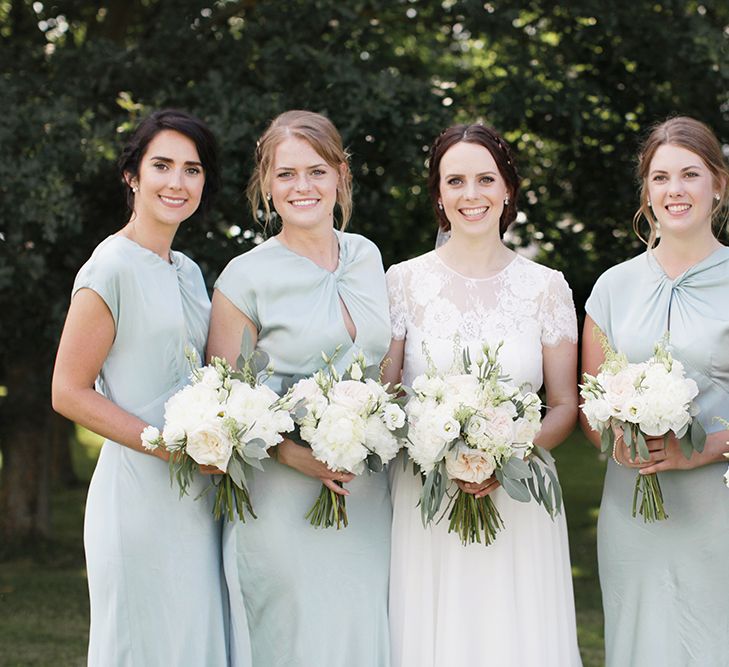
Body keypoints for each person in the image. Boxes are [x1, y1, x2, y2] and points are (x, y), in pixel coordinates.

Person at [383, 123, 582, 666]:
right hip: (430, 494)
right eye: (455, 182)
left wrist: (506, 455)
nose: (471, 195)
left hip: (520, 495)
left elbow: (565, 404)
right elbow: (386, 397)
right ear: (439, 196)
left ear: (508, 190)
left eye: (485, 179)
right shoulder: (402, 282)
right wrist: (439, 446)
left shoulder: (546, 287)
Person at [207, 110, 392, 667]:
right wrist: (300, 457)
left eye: (316, 171)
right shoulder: (245, 276)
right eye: (285, 174)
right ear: (266, 183)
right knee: (292, 642)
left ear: (341, 174)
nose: (302, 187)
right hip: (283, 497)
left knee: (359, 634)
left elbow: (383, 371)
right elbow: (225, 406)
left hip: (366, 496)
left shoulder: (367, 256)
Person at [51, 110, 228, 666]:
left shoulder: (190, 271)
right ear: (132, 176)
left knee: (193, 644)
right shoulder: (110, 267)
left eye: (192, 169)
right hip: (137, 496)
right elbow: (68, 390)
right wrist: (168, 444)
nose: (177, 182)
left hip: (198, 496)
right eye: (162, 166)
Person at [580, 116, 729, 666]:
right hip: (634, 509)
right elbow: (589, 404)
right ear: (647, 191)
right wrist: (616, 435)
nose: (675, 190)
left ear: (719, 182)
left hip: (719, 506)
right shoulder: (613, 286)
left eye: (690, 174)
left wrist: (705, 448)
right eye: (661, 177)